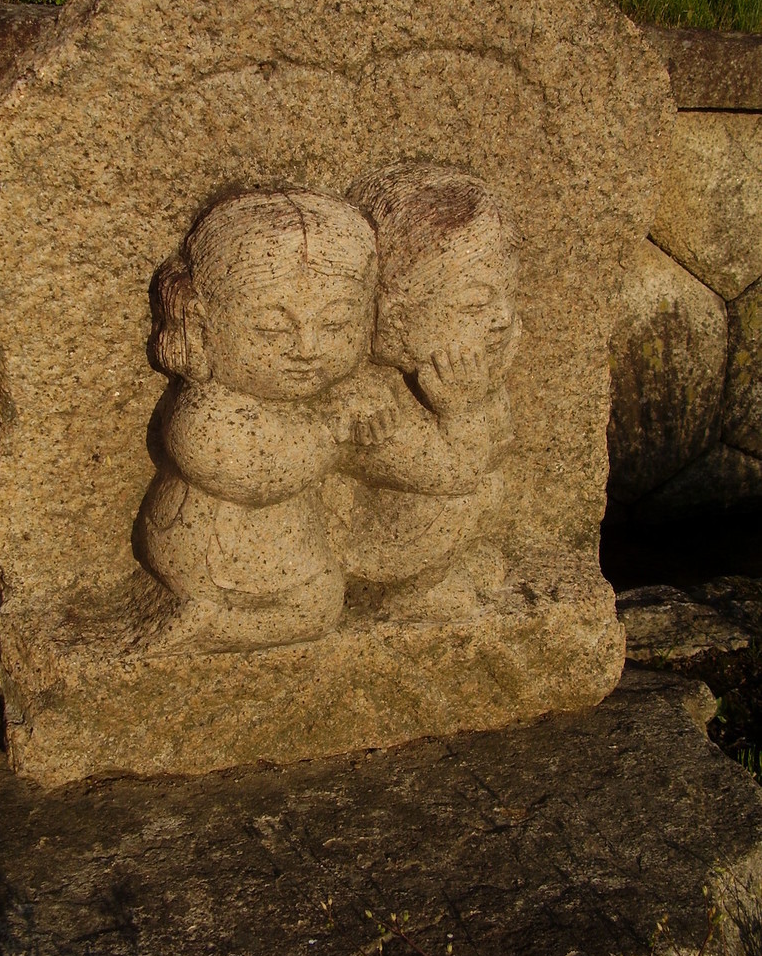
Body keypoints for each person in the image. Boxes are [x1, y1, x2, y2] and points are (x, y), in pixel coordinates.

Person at [135, 188, 394, 652]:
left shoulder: (311, 388)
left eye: (335, 325)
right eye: (272, 328)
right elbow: (262, 476)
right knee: (318, 605)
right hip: (215, 549)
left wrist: (366, 404)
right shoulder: (204, 412)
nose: (308, 348)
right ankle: (212, 623)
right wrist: (331, 430)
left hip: (276, 538)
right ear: (202, 324)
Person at [320, 163, 521, 619]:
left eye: (507, 293)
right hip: (362, 538)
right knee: (463, 500)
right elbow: (455, 472)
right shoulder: (364, 399)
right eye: (476, 303)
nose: (503, 318)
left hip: (439, 480)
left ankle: (442, 566)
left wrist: (485, 392)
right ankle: (407, 590)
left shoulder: (455, 374)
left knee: (490, 486)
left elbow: (500, 443)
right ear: (396, 320)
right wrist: (463, 410)